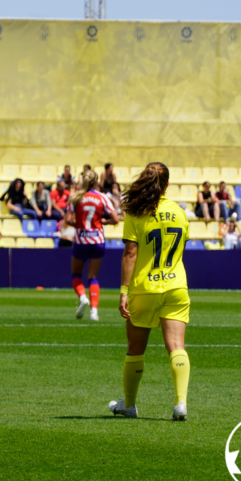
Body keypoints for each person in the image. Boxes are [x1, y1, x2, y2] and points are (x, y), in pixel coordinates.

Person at [109, 162, 191, 422]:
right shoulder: (179, 212)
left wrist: (124, 290)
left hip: (145, 287)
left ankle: (129, 405)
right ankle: (180, 403)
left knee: (135, 348)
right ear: (167, 184)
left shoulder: (136, 212)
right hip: (176, 285)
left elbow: (130, 253)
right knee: (176, 347)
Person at [69, 170, 118, 322]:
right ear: (96, 182)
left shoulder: (76, 197)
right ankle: (94, 312)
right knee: (93, 276)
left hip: (81, 240)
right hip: (97, 240)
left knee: (76, 274)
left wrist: (80, 224)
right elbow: (115, 219)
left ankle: (83, 297)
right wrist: (103, 222)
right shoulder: (102, 197)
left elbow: (68, 220)